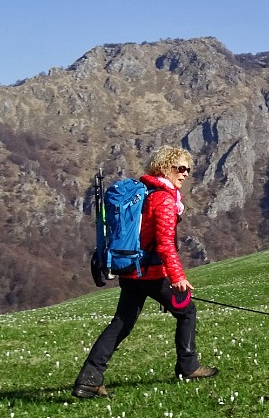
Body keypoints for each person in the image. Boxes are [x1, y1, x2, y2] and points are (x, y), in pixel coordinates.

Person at [73, 146, 217, 399]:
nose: (185, 174)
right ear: (165, 168)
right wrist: (177, 277)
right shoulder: (163, 199)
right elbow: (164, 243)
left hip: (130, 272)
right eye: (180, 168)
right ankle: (188, 366)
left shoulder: (144, 192)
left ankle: (89, 379)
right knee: (187, 311)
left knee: (121, 323)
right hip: (152, 275)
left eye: (188, 169)